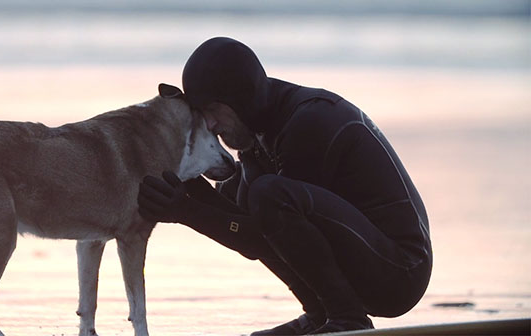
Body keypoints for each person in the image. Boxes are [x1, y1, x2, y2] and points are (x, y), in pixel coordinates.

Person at [137, 37, 432, 335]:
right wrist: (189, 187)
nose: (210, 125)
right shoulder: (259, 134)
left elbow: (265, 236)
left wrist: (186, 211)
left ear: (242, 97)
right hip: (366, 261)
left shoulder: (310, 121)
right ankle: (321, 313)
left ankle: (347, 317)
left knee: (268, 196)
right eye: (203, 115)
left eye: (213, 110)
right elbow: (260, 230)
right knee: (235, 188)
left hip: (400, 272)